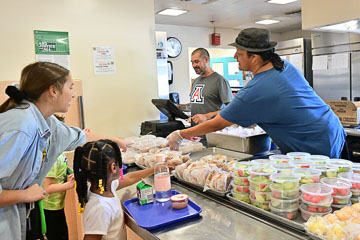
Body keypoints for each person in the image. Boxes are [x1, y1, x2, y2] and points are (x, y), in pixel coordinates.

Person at [0, 62, 132, 240]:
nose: (74, 94)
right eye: (70, 87)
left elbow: (79, 136)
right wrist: (25, 194)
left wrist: (117, 141)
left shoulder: (46, 121)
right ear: (53, 91)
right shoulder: (20, 126)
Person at [167, 28, 346, 158]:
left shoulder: (257, 88)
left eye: (239, 53)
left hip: (315, 142)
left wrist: (181, 134)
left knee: (319, 195)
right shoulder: (283, 65)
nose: (235, 57)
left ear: (254, 57)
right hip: (331, 129)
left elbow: (217, 124)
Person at [73, 139, 154, 240]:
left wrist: (155, 169)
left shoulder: (104, 188)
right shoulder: (101, 208)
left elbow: (129, 178)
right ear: (113, 167)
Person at [189, 48, 233, 125]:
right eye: (192, 62)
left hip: (212, 130)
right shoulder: (195, 81)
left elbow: (231, 109)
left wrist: (207, 116)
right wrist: (177, 107)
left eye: (196, 62)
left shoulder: (219, 80)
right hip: (195, 131)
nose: (194, 65)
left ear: (206, 59)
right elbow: (195, 104)